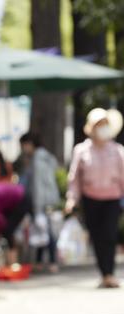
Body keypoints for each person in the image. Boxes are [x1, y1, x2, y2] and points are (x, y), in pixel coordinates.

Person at [66, 107, 124, 288]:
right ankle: (104, 273)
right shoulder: (81, 150)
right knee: (97, 236)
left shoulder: (118, 150)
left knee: (109, 235)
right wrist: (71, 199)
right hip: (90, 199)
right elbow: (75, 178)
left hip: (112, 199)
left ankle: (109, 273)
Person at [18, 132, 61, 272]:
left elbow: (38, 186)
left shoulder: (37, 160)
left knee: (46, 230)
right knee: (45, 230)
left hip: (41, 201)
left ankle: (51, 261)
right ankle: (40, 260)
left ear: (30, 144)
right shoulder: (47, 157)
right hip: (51, 198)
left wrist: (36, 207)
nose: (23, 149)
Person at [0, 181, 32, 265]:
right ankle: (11, 262)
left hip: (21, 199)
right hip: (13, 199)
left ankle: (13, 263)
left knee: (7, 232)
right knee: (7, 232)